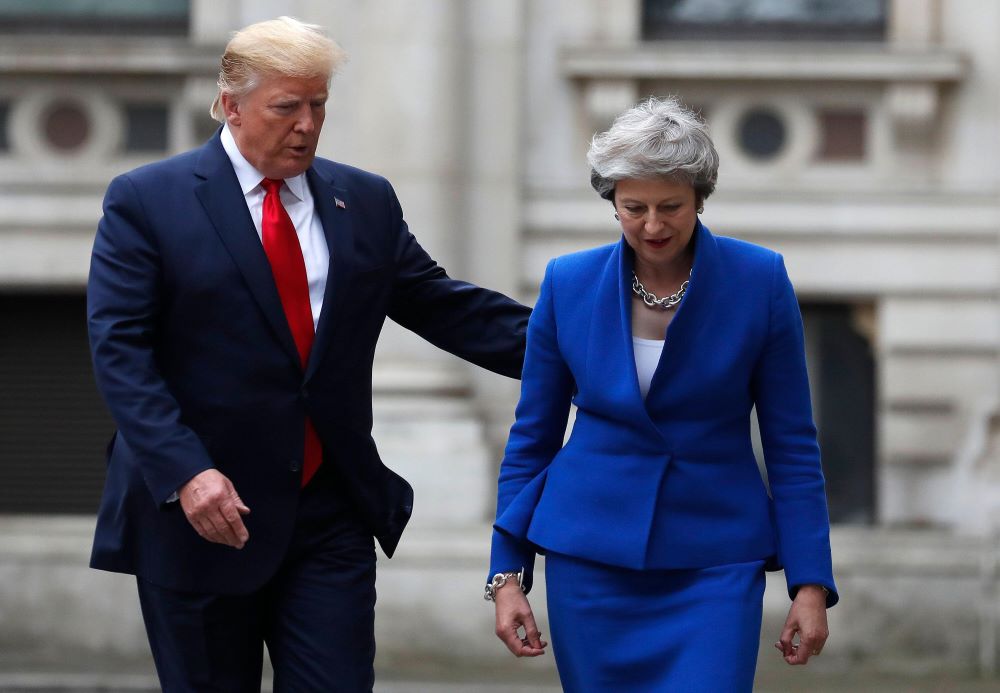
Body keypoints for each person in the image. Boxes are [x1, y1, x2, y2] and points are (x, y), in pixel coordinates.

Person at [87, 16, 529, 692]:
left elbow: (444, 307)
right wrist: (187, 471)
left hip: (327, 512)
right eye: (286, 106)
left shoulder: (365, 201)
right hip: (204, 514)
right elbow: (121, 351)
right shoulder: (149, 201)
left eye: (317, 105)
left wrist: (591, 349)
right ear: (231, 106)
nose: (306, 124)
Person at [485, 97, 837, 692]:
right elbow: (532, 439)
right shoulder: (566, 283)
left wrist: (810, 584)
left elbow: (792, 445)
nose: (652, 225)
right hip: (589, 559)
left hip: (716, 560)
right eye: (633, 208)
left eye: (670, 206)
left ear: (699, 197)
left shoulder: (760, 281)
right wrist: (507, 574)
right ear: (612, 202)